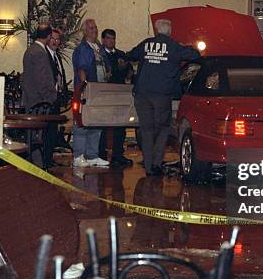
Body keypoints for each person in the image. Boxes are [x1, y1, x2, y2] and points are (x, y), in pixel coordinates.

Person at [125, 19, 201, 176]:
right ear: (170, 31)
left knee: (146, 130)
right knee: (162, 129)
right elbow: (194, 55)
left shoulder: (147, 43)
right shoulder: (173, 46)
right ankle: (156, 164)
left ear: (156, 30)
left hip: (142, 94)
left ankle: (147, 166)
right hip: (161, 95)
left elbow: (131, 55)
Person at [72, 19, 111, 168]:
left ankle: (93, 155)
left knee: (96, 122)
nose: (94, 30)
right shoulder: (82, 49)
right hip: (87, 91)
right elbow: (81, 69)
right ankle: (79, 156)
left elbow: (106, 65)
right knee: (82, 123)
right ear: (85, 31)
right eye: (91, 28)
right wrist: (84, 89)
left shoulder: (99, 47)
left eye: (95, 27)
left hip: (100, 91)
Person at [22, 25, 59, 168]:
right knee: (38, 136)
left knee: (34, 135)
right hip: (39, 102)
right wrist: (51, 98)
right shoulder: (39, 52)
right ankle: (38, 165)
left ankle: (36, 163)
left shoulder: (30, 50)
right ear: (49, 36)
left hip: (32, 98)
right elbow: (42, 79)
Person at [98, 28, 134, 166]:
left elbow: (129, 71)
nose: (110, 41)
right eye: (108, 38)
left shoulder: (120, 54)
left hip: (119, 94)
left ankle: (118, 155)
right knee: (103, 126)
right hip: (105, 95)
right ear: (103, 40)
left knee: (120, 126)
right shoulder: (99, 55)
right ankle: (101, 155)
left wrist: (126, 69)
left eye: (113, 38)